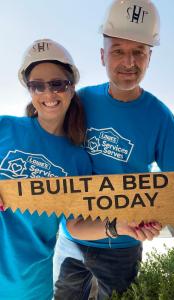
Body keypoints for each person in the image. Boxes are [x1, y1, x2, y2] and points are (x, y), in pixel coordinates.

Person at [53, 0, 174, 299]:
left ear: (149, 58)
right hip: (73, 239)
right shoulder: (80, 101)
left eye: (138, 52)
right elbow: (41, 143)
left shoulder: (161, 118)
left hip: (123, 248)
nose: (128, 63)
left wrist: (157, 219)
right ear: (103, 55)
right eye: (118, 51)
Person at [0, 38, 91, 300]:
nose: (47, 94)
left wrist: (122, 227)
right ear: (29, 90)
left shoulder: (78, 160)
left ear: (71, 87)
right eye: (37, 86)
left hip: (29, 288)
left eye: (57, 84)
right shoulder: (5, 128)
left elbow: (74, 224)